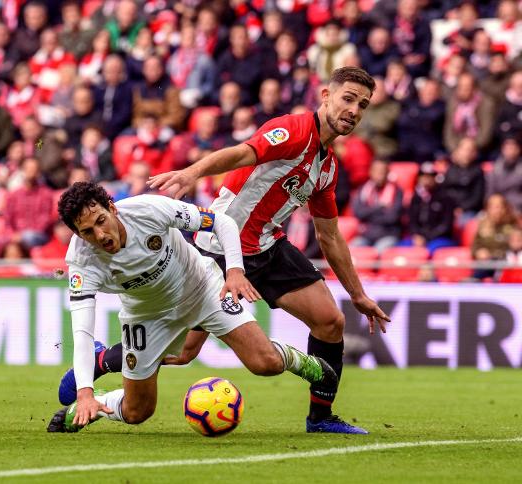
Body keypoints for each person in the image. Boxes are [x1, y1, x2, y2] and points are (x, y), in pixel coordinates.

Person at [60, 67, 387, 434]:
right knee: (184, 353)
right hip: (220, 245)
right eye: (348, 99)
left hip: (267, 244)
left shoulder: (326, 167)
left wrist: (357, 294)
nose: (354, 110)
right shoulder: (295, 131)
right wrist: (192, 173)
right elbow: (242, 153)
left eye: (363, 104)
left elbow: (329, 235)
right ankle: (104, 359)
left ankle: (321, 417)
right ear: (326, 95)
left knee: (331, 321)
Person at [47, 182, 337, 432]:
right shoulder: (82, 262)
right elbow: (81, 330)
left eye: (100, 220)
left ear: (112, 207)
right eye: (87, 231)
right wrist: (84, 393)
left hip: (203, 289)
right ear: (77, 234)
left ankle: (305, 363)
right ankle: (90, 406)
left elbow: (221, 223)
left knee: (267, 364)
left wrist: (235, 270)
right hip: (146, 316)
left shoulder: (148, 210)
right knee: (137, 412)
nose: (100, 236)